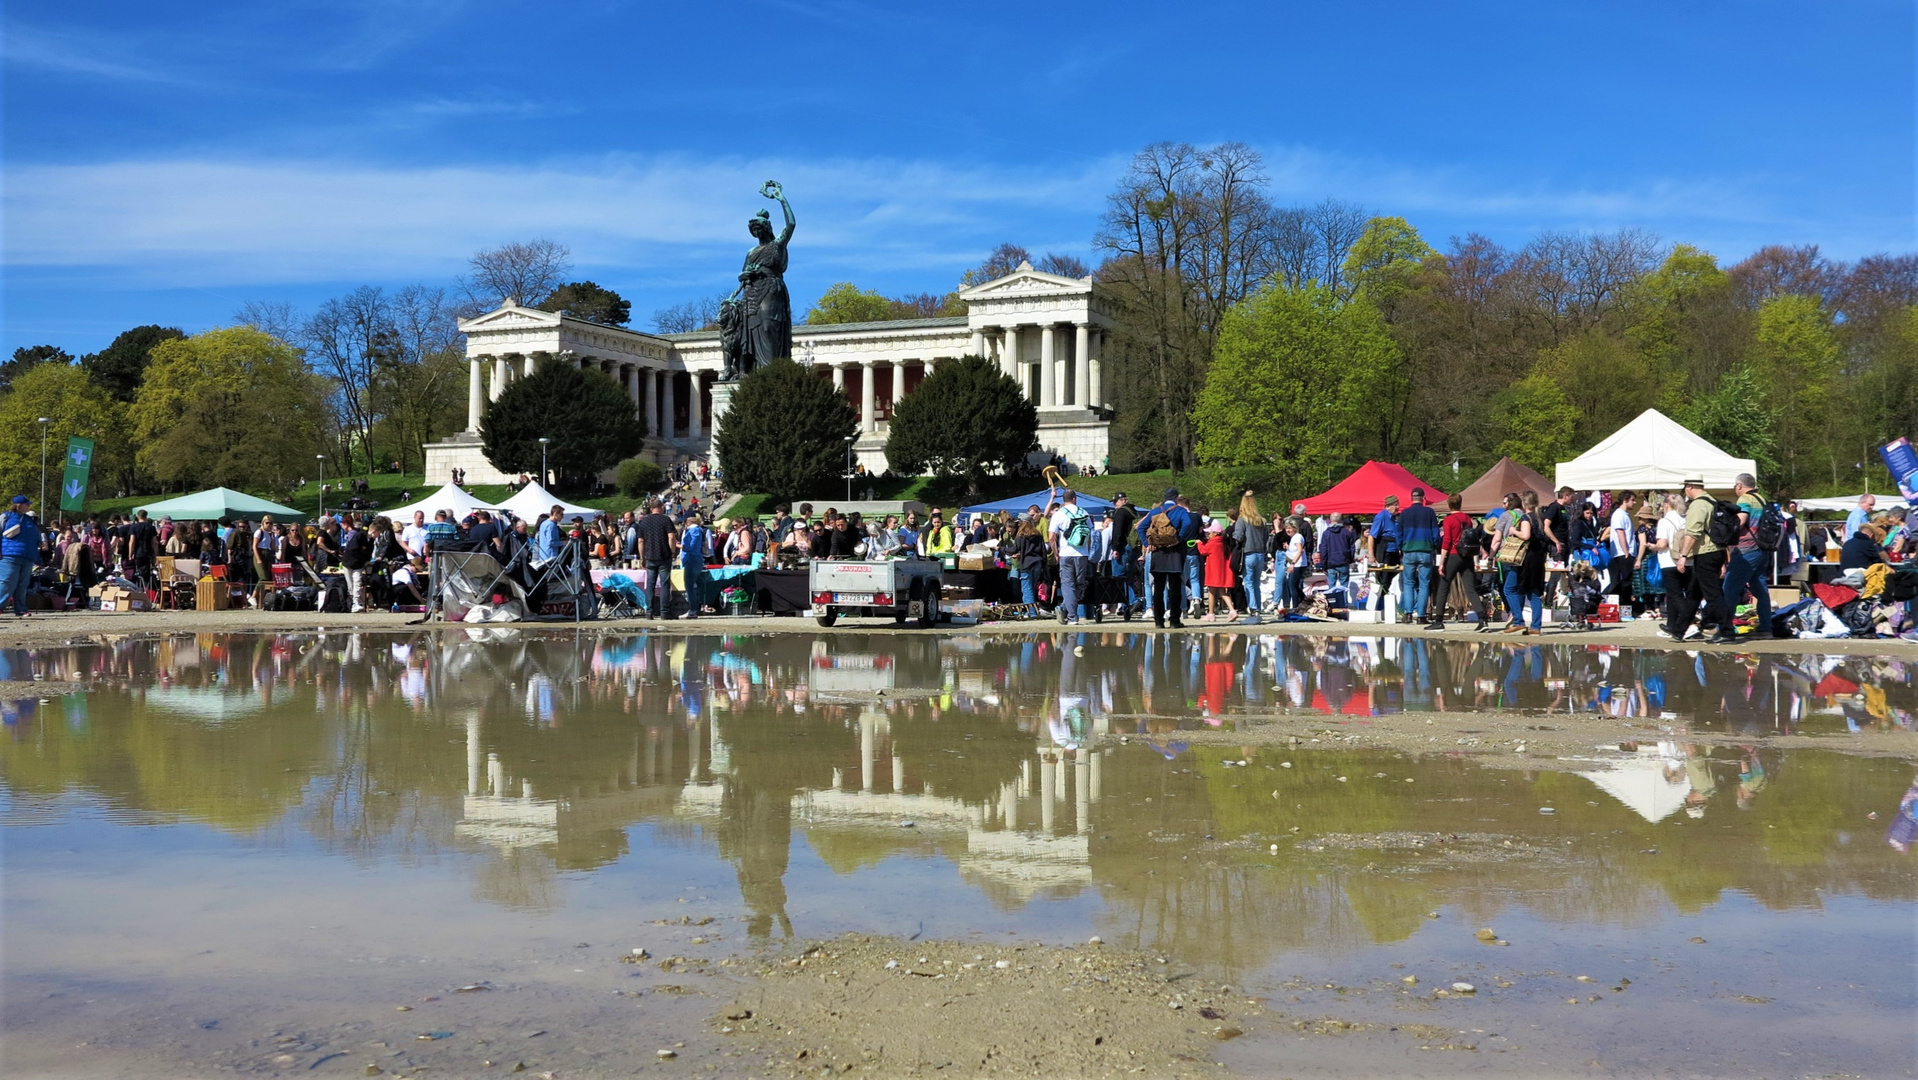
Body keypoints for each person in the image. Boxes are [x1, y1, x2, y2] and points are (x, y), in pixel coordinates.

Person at [1716, 473, 1772, 644]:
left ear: (1739, 485)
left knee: (1730, 588)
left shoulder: (1745, 499)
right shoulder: (1762, 499)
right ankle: (1765, 628)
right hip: (1764, 549)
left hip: (1747, 549)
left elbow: (1740, 522)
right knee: (1760, 588)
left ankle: (1725, 629)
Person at [1668, 478, 1724, 643]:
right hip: (1716, 551)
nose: (1685, 491)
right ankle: (1679, 630)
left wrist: (1683, 556)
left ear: (1690, 487)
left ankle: (1726, 630)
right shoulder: (1713, 501)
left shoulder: (1698, 505)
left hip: (1706, 552)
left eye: (1685, 487)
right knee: (1694, 594)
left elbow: (1692, 533)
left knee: (1713, 594)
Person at [1136, 487, 1195, 629]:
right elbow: (1187, 523)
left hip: (1158, 552)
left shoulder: (1156, 511)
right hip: (1175, 552)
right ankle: (1174, 620)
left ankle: (1159, 621)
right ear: (1176, 498)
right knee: (1175, 587)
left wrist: (1147, 543)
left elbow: (1140, 528)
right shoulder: (1180, 511)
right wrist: (1179, 538)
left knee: (1158, 587)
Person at [1427, 492, 1486, 631]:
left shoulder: (1449, 520)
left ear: (1449, 504)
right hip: (1467, 556)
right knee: (1470, 588)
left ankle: (1439, 621)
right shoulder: (1467, 519)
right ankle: (1482, 619)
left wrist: (1442, 562)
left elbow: (1446, 542)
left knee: (1443, 586)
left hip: (1453, 555)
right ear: (1460, 503)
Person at [1497, 492, 1545, 635]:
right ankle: (1536, 626)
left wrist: (1512, 530)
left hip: (1525, 559)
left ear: (1524, 503)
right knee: (1534, 593)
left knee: (1509, 589)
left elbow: (1525, 535)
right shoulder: (1539, 518)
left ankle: (1518, 621)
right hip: (1537, 558)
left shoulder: (1526, 518)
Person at [1047, 490, 1093, 624]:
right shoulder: (1084, 513)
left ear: (1063, 500)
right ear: (1075, 499)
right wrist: (1087, 551)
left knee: (1068, 585)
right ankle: (1064, 610)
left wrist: (1056, 553)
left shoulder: (1058, 514)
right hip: (1082, 554)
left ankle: (1071, 616)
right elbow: (1089, 535)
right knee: (1078, 585)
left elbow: (1051, 538)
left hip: (1066, 554)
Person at [1398, 488, 1440, 623]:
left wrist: (1401, 547)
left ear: (1411, 498)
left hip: (1409, 551)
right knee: (1424, 584)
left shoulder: (1404, 513)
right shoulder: (1429, 512)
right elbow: (1435, 533)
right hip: (1426, 551)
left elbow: (1398, 534)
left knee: (1408, 583)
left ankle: (1408, 614)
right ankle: (1421, 616)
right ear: (1423, 497)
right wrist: (1434, 546)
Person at [1232, 492, 1271, 618]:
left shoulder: (1242, 519)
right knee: (1256, 583)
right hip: (1260, 554)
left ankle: (1253, 608)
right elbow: (1266, 538)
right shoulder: (1262, 521)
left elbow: (1238, 537)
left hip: (1248, 553)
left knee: (1248, 582)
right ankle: (1258, 608)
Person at [0, 496, 40, 616]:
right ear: (19, 505)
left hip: (27, 557)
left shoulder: (29, 520)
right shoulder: (5, 517)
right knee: (7, 582)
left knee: (23, 585)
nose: (29, 506)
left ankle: (21, 609)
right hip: (9, 555)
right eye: (26, 504)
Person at [1195, 519, 1239, 620]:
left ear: (1215, 533)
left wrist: (1199, 543)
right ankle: (1230, 610)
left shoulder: (1213, 543)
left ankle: (1212, 613)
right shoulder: (1223, 543)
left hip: (1213, 571)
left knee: (1212, 592)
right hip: (1222, 572)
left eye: (1209, 533)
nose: (1208, 535)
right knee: (1222, 592)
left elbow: (1203, 551)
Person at [1606, 490, 1641, 615]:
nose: (1634, 502)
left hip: (1626, 552)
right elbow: (1620, 533)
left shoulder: (1624, 514)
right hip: (1623, 553)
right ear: (1625, 500)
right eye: (1632, 500)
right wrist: (1626, 551)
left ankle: (1624, 609)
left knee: (1626, 582)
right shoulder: (1619, 514)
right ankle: (1624, 610)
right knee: (1625, 582)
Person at [1368, 496, 1403, 618]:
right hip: (1385, 552)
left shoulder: (1395, 519)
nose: (1398, 508)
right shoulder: (1381, 517)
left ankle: (1387, 608)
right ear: (1389, 505)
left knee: (1390, 579)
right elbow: (1372, 536)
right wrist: (1371, 555)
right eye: (1396, 505)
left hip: (1395, 552)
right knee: (1383, 580)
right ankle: (1380, 607)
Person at [1107, 492, 1140, 612]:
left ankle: (1132, 601)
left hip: (1124, 547)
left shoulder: (1121, 512)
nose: (1115, 503)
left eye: (1116, 501)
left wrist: (1115, 548)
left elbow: (1117, 532)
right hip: (1135, 547)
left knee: (1118, 576)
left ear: (1123, 500)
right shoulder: (1134, 512)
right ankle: (1126, 606)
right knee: (1129, 576)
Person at [1317, 513, 1356, 607]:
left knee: (1331, 586)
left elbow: (1323, 549)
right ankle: (1344, 605)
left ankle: (1332, 605)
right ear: (1341, 520)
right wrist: (1350, 560)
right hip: (1343, 561)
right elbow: (1352, 548)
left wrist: (1324, 564)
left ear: (1330, 520)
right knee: (1344, 586)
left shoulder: (1326, 533)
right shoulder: (1347, 532)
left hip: (1331, 563)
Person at [678, 512, 710, 619]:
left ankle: (693, 610)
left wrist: (676, 545)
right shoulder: (696, 530)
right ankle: (693, 609)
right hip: (693, 560)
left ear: (690, 520)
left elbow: (690, 546)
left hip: (692, 560)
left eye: (686, 520)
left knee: (689, 586)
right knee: (692, 587)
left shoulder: (694, 530)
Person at [1009, 520, 1047, 606]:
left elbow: (1014, 550)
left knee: (1027, 589)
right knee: (1034, 587)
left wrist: (1000, 548)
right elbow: (1043, 550)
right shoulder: (1038, 535)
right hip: (1038, 563)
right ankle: (1036, 609)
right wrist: (1044, 564)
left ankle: (1031, 612)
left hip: (1026, 564)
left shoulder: (1021, 536)